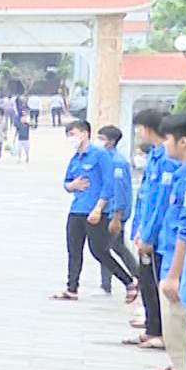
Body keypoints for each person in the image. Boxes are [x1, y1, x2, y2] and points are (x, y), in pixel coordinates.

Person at [54, 119, 133, 301]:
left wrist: (99, 208)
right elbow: (67, 182)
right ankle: (71, 288)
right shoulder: (76, 158)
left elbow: (108, 183)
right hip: (77, 209)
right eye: (68, 135)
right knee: (74, 250)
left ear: (84, 133)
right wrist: (72, 185)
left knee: (99, 250)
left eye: (72, 134)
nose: (70, 138)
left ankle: (128, 281)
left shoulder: (100, 155)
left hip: (95, 210)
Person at [152, 113, 186, 370]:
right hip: (172, 261)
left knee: (179, 336)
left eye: (168, 138)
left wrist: (174, 276)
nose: (164, 143)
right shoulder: (185, 173)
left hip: (180, 271)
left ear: (183, 141)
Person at [131, 110, 170, 353]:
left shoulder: (167, 159)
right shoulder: (155, 155)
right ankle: (151, 325)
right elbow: (146, 198)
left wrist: (149, 235)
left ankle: (157, 329)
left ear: (147, 128)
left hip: (158, 236)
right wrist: (139, 229)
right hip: (146, 229)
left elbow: (161, 203)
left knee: (153, 281)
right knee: (145, 281)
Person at [96, 125, 138, 299]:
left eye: (101, 138)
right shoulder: (105, 159)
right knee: (110, 247)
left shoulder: (117, 162)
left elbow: (119, 190)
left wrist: (117, 215)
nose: (98, 141)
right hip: (107, 211)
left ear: (111, 142)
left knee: (109, 248)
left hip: (114, 212)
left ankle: (135, 278)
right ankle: (108, 283)